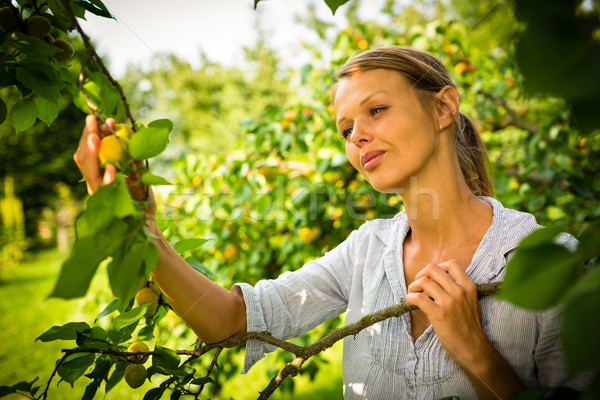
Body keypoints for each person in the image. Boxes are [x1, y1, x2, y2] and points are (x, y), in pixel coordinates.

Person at [74, 46, 582, 399]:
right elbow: (233, 320)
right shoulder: (365, 251)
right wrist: (145, 231)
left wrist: (478, 354)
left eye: (377, 110)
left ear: (443, 107)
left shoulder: (553, 259)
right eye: (345, 128)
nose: (357, 136)